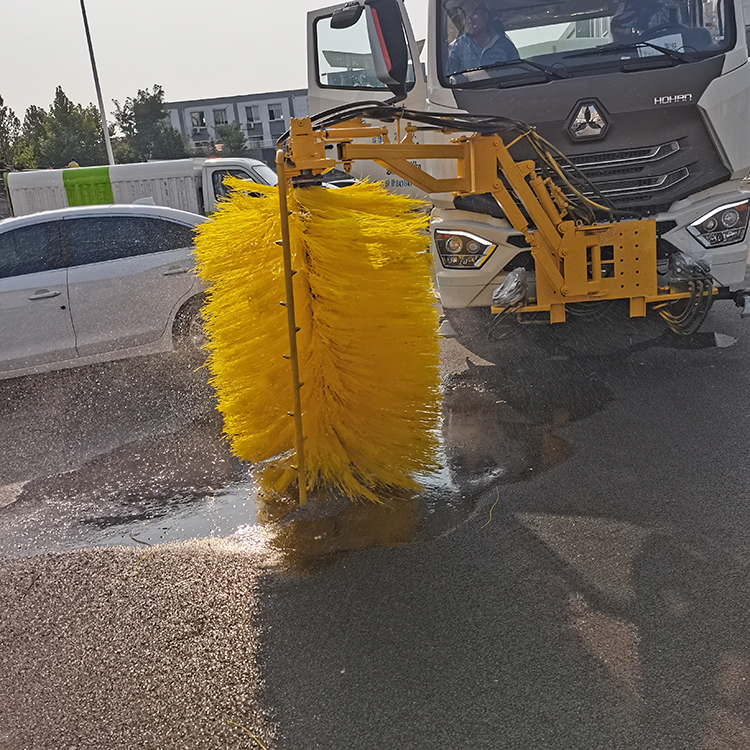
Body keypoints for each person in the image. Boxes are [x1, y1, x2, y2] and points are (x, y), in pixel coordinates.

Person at [447, 0, 519, 76]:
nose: (470, 20)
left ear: (485, 15)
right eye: (465, 16)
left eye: (474, 14)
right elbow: (450, 78)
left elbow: (516, 73)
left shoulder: (506, 46)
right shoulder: (456, 47)